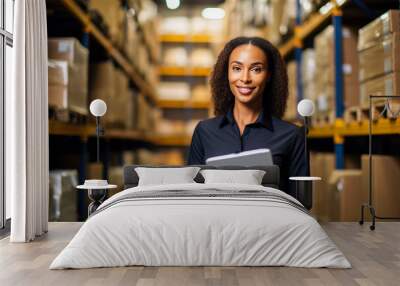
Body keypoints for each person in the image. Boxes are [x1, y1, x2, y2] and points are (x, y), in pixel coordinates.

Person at [187, 36, 309, 198]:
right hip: (215, 221)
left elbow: (301, 201)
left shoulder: (292, 135)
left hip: (269, 222)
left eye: (256, 69)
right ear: (226, 73)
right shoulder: (205, 131)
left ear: (269, 75)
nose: (245, 78)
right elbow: (191, 194)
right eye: (237, 68)